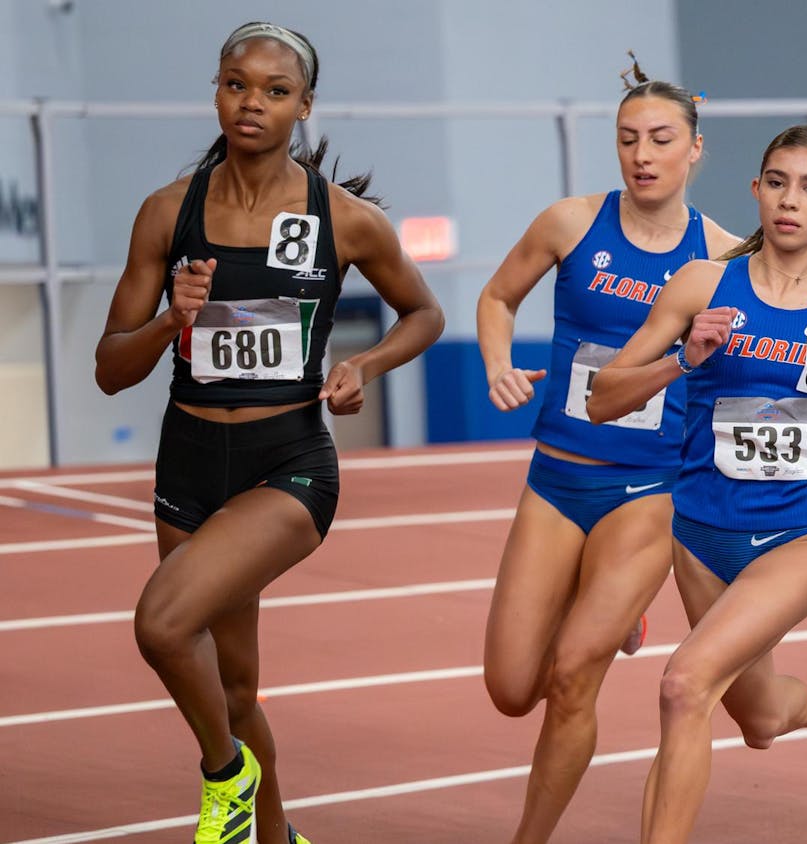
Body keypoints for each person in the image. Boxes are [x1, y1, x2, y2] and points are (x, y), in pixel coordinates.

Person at [94, 22, 444, 844]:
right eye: (236, 84)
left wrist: (367, 366)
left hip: (285, 463)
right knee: (237, 684)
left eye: (275, 91)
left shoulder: (343, 220)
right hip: (187, 457)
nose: (253, 103)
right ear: (216, 90)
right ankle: (278, 834)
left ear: (305, 106)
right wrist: (169, 322)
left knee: (162, 624)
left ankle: (227, 775)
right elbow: (111, 367)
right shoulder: (166, 214)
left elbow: (425, 312)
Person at [586, 125, 807, 844]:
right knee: (759, 720)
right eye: (777, 182)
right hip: (701, 533)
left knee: (683, 686)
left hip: (796, 537)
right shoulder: (701, 284)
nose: (789, 201)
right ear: (755, 190)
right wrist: (684, 361)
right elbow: (603, 398)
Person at [475, 56, 740, 843]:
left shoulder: (722, 257)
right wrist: (495, 364)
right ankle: (610, 607)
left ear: (695, 149)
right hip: (557, 479)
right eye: (628, 139)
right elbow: (495, 297)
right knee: (509, 686)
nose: (642, 155)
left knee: (569, 680)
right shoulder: (571, 223)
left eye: (661, 139)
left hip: (647, 491)